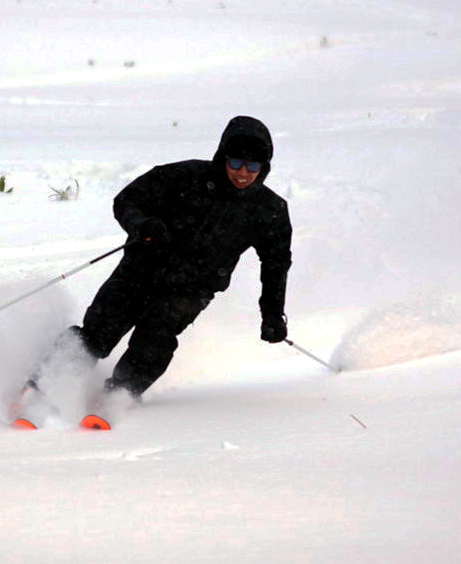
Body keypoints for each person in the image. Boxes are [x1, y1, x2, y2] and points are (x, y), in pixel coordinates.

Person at [16, 117, 293, 429]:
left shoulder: (269, 210)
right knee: (99, 331)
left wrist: (272, 315)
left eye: (253, 166)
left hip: (191, 290)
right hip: (139, 271)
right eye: (236, 161)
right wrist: (141, 224)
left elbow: (276, 265)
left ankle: (118, 396)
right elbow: (127, 200)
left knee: (155, 341)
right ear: (223, 157)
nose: (243, 172)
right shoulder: (184, 176)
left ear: (264, 167)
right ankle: (40, 387)